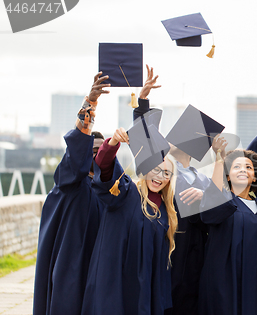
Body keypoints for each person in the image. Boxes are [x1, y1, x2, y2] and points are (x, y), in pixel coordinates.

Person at [81, 76, 178, 315]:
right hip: (116, 284)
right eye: (156, 170)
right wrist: (113, 142)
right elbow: (103, 169)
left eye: (166, 173)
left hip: (146, 290)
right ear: (145, 169)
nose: (160, 176)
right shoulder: (125, 192)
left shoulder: (168, 209)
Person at [134, 65, 209, 315]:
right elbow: (142, 140)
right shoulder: (163, 169)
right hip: (165, 248)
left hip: (195, 258)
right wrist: (143, 102)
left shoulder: (203, 180)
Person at [33, 72, 109, 315]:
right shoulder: (70, 182)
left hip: (100, 268)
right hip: (70, 269)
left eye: (103, 151)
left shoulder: (110, 189)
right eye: (93, 150)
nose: (97, 155)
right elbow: (77, 152)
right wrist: (90, 105)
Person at [198, 137, 257, 315]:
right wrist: (219, 159)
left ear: (255, 176)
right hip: (224, 282)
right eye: (236, 166)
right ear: (227, 176)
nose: (243, 170)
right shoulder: (224, 201)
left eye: (248, 167)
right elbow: (210, 207)